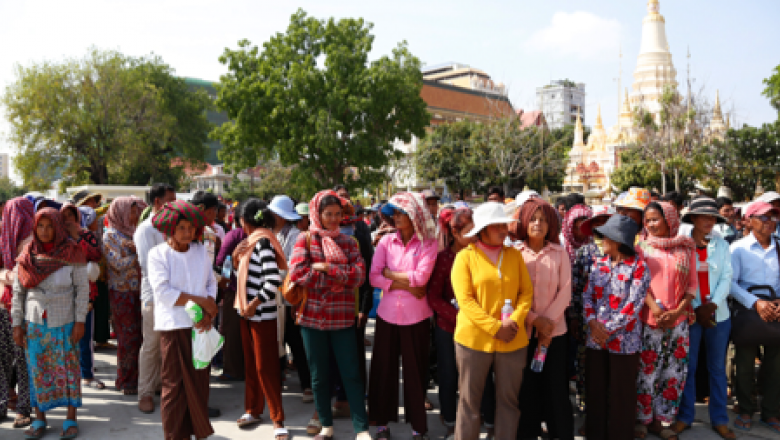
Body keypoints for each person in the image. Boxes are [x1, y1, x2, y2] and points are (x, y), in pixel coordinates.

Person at [288, 190, 371, 440]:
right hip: (312, 319)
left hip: (342, 319)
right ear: (318, 214)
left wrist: (327, 269)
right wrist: (340, 277)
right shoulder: (305, 240)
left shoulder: (349, 242)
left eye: (337, 214)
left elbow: (359, 276)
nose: (334, 219)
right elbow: (298, 274)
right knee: (319, 376)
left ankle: (361, 429)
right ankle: (326, 426)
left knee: (351, 374)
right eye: (328, 214)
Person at [451, 202, 534, 439]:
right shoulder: (465, 258)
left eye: (504, 225)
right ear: (482, 230)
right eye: (496, 226)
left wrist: (513, 322)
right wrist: (495, 327)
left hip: (512, 339)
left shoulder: (514, 256)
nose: (503, 230)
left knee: (509, 402)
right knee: (469, 402)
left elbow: (526, 293)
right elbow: (465, 301)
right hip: (473, 341)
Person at [11, 208, 89, 439]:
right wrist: (17, 324)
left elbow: (82, 289)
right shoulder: (27, 254)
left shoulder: (72, 251)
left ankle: (71, 418)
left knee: (69, 368)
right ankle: (40, 419)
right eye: (40, 226)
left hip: (66, 320)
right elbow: (18, 292)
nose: (44, 231)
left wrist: (80, 321)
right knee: (37, 369)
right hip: (34, 322)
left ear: (59, 227)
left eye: (50, 226)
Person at [369, 193, 438, 439]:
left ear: (415, 215)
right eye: (394, 213)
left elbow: (421, 278)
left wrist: (390, 274)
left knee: (416, 372)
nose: (396, 218)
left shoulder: (429, 243)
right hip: (387, 315)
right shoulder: (386, 242)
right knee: (383, 370)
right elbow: (374, 277)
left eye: (401, 213)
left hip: (416, 317)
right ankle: (381, 425)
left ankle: (418, 427)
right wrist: (406, 284)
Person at [148, 201, 217, 440]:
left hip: (200, 327)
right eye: (181, 228)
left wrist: (208, 310)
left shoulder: (200, 251)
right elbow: (164, 293)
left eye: (190, 228)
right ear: (170, 229)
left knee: (199, 383)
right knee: (174, 386)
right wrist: (203, 301)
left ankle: (196, 431)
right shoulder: (158, 254)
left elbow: (211, 282)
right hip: (174, 327)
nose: (187, 233)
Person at [582, 214, 650, 439]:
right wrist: (593, 323)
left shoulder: (639, 267)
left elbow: (633, 305)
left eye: (606, 237)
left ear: (619, 240)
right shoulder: (598, 264)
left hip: (624, 341)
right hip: (595, 338)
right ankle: (596, 433)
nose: (602, 241)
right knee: (596, 389)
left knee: (622, 392)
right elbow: (587, 296)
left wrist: (606, 329)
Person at [511, 198, 573, 439]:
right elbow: (510, 294)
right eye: (533, 219)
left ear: (551, 225)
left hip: (554, 335)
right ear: (524, 222)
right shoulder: (514, 254)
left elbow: (565, 291)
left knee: (556, 388)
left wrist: (547, 326)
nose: (538, 224)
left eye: (544, 220)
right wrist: (534, 320)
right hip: (523, 334)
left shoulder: (559, 253)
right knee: (527, 389)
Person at [635, 202, 698, 440]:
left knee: (673, 371)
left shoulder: (686, 247)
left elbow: (692, 285)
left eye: (655, 219)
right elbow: (639, 281)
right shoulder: (642, 247)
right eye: (648, 220)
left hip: (679, 319)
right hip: (650, 319)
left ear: (669, 219)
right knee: (647, 370)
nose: (651, 224)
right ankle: (643, 419)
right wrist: (656, 310)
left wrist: (677, 311)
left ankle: (662, 420)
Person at [674, 198, 735, 438]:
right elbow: (679, 279)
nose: (710, 221)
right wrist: (694, 308)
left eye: (713, 217)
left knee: (717, 369)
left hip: (717, 314)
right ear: (693, 218)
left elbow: (726, 277)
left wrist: (711, 306)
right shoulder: (682, 244)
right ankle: (685, 416)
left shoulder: (722, 245)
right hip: (690, 314)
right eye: (704, 216)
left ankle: (719, 419)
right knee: (688, 367)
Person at [232, 199, 289, 438]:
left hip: (260, 315)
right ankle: (253, 409)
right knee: (251, 365)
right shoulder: (252, 241)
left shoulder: (262, 242)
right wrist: (235, 258)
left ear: (243, 220)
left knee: (266, 368)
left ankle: (278, 419)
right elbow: (244, 275)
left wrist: (254, 304)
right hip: (247, 313)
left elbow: (273, 280)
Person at [729, 201, 780, 433]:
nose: (770, 222)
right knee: (744, 364)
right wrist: (755, 302)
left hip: (776, 311)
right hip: (748, 312)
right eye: (764, 217)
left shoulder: (779, 246)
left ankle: (770, 412)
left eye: (773, 217)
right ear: (749, 220)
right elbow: (731, 283)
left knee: (775, 365)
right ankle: (746, 409)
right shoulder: (738, 248)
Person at [427, 207, 475, 439]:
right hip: (449, 327)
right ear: (455, 233)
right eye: (469, 231)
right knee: (448, 374)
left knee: (474, 376)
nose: (475, 235)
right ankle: (450, 421)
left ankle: (477, 420)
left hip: (478, 327)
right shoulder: (444, 259)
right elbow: (434, 297)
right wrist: (459, 316)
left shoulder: (480, 255)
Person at [134, 183, 176, 413]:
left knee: (166, 346)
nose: (175, 204)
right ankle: (145, 392)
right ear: (158, 202)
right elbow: (147, 266)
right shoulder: (146, 230)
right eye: (171, 200)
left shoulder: (173, 226)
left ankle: (161, 385)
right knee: (151, 345)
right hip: (153, 296)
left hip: (174, 296)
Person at [569, 206, 614, 415]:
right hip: (588, 320)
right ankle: (588, 410)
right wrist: (575, 318)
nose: (602, 225)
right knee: (587, 366)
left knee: (611, 367)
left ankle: (611, 410)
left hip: (615, 322)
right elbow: (576, 288)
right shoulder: (584, 252)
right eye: (597, 221)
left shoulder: (623, 250)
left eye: (606, 220)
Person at [268, 195, 313, 404]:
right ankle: (277, 381)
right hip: (272, 296)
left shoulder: (296, 236)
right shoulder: (269, 233)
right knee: (277, 342)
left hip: (290, 297)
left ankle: (307, 385)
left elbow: (296, 268)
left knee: (297, 343)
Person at [61, 204, 105, 393]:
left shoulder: (86, 235)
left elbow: (96, 254)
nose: (68, 220)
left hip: (85, 292)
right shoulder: (56, 237)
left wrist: (77, 237)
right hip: (62, 293)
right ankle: (66, 375)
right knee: (64, 337)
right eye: (64, 216)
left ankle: (86, 374)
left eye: (71, 215)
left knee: (85, 335)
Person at [103, 196, 145, 395]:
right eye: (131, 211)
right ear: (120, 213)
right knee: (127, 338)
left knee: (140, 337)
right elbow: (117, 264)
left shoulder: (135, 233)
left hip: (139, 291)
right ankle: (126, 381)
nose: (134, 215)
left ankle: (140, 379)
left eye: (135, 211)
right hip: (121, 293)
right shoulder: (110, 236)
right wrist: (137, 254)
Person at [0, 198, 35, 429]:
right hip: (7, 308)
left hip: (25, 308)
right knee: (11, 360)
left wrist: (6, 275)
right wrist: (7, 275)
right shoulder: (5, 238)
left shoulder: (33, 241)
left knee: (22, 360)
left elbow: (26, 277)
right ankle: (11, 403)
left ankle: (23, 407)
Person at [215, 201, 248, 382]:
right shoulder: (266, 235)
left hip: (235, 290)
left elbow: (222, 261)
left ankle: (233, 370)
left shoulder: (234, 235)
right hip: (258, 291)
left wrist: (225, 282)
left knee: (232, 331)